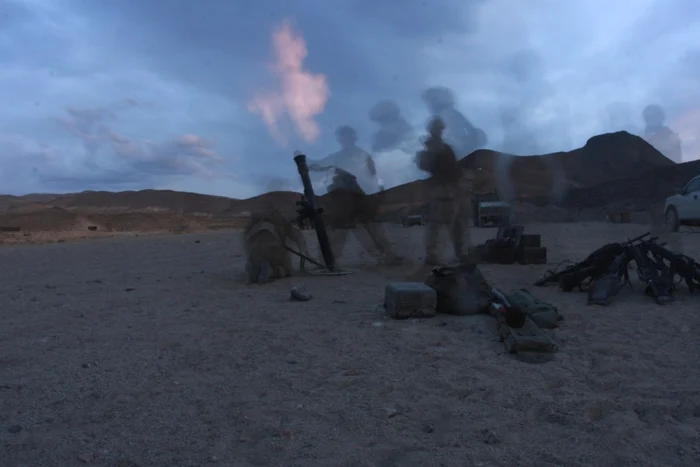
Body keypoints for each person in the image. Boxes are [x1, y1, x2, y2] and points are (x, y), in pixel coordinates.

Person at [307, 126, 402, 265]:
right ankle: (327, 261)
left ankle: (388, 255)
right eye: (343, 137)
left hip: (361, 197)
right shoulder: (338, 157)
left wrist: (372, 193)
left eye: (348, 136)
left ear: (353, 138)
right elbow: (319, 165)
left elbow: (372, 175)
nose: (345, 140)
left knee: (373, 228)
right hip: (344, 200)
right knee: (339, 230)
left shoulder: (362, 155)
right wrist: (306, 161)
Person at [417, 116, 473, 266]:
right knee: (436, 223)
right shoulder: (432, 148)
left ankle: (460, 253)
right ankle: (432, 254)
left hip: (451, 187)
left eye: (441, 128)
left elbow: (453, 168)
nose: (440, 131)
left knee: (457, 223)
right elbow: (430, 167)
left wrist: (459, 183)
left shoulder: (444, 148)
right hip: (440, 188)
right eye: (438, 128)